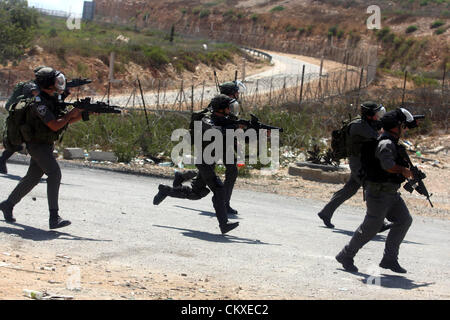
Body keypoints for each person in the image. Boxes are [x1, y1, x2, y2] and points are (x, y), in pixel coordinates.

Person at [0, 67, 85, 229]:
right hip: (37, 145)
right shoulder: (39, 103)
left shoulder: (49, 99)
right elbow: (54, 125)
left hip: (44, 144)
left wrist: (82, 114)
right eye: (55, 80)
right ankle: (54, 217)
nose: (59, 83)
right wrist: (71, 113)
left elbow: (63, 121)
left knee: (32, 177)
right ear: (48, 83)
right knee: (54, 173)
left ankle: (7, 204)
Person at [335, 108, 418, 273]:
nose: (405, 129)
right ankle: (346, 255)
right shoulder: (386, 143)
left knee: (403, 220)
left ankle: (389, 259)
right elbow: (387, 166)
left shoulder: (393, 142)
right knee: (370, 229)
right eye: (403, 126)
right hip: (379, 194)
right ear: (396, 127)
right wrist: (403, 171)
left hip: (391, 193)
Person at [154, 94, 245, 235]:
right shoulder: (207, 120)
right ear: (221, 108)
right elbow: (216, 131)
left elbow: (236, 134)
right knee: (219, 190)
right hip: (204, 162)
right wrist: (234, 127)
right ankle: (224, 224)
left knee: (196, 194)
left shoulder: (225, 121)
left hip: (208, 163)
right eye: (228, 107)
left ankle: (166, 190)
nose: (230, 110)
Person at [317, 101, 392, 233]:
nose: (378, 115)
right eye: (376, 113)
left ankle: (326, 212)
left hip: (363, 161)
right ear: (369, 114)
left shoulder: (368, 123)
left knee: (350, 189)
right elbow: (378, 137)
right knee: (372, 187)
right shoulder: (359, 126)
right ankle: (378, 222)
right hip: (358, 162)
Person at [0, 66, 47, 174]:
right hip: (22, 119)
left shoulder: (39, 86)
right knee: (21, 140)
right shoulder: (32, 86)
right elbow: (35, 96)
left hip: (28, 118)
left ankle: (3, 160)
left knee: (23, 141)